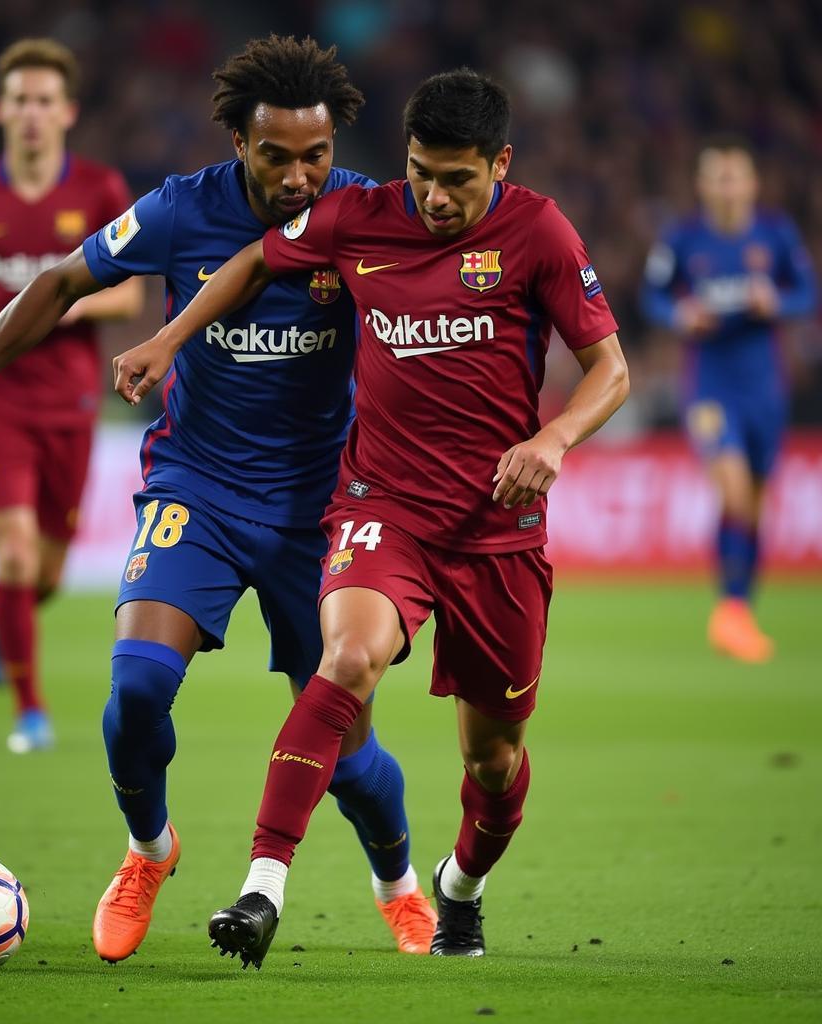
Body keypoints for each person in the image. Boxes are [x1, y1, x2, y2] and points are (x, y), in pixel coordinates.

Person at [0, 36, 433, 965]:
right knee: (136, 687)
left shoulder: (364, 217)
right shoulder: (181, 210)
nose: (300, 176)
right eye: (276, 156)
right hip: (201, 489)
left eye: (317, 155)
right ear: (236, 141)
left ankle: (397, 881)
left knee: (344, 753)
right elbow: (61, 282)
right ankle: (150, 850)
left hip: (326, 512)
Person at [112, 68, 630, 969]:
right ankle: (261, 887)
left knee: (494, 763)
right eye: (421, 171)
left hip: (496, 530)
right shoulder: (361, 217)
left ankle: (460, 885)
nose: (433, 195)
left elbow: (611, 369)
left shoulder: (538, 231)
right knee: (347, 659)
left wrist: (553, 439)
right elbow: (251, 263)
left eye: (457, 179)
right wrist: (170, 336)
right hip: (379, 506)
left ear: (499, 164)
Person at [0, 38, 142, 752]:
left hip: (69, 401)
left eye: (46, 101)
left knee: (43, 574)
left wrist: (70, 304)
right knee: (15, 555)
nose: (33, 114)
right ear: (0, 109)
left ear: (68, 112)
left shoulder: (101, 192)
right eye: (21, 100)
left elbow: (133, 288)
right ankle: (31, 714)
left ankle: (2, 608)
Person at [642, 138, 816, 663]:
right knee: (735, 492)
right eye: (716, 177)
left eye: (733, 176)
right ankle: (729, 612)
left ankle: (737, 609)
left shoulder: (776, 235)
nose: (726, 186)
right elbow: (653, 296)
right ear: (702, 185)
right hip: (710, 386)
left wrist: (778, 301)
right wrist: (680, 316)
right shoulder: (682, 239)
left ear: (751, 184)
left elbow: (808, 292)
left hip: (765, 388)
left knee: (755, 507)